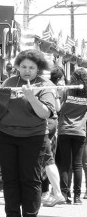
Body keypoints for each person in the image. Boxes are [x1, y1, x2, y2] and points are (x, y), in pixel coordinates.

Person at [0, 49, 56, 217]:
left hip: (34, 137)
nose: (27, 70)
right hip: (6, 137)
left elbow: (45, 113)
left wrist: (31, 97)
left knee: (31, 178)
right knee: (10, 178)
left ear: (38, 69)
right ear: (18, 67)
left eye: (31, 67)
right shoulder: (9, 82)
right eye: (23, 67)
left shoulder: (45, 85)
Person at [57, 67, 87, 205]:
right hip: (80, 132)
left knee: (65, 164)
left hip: (64, 130)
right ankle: (77, 197)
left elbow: (58, 108)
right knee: (77, 164)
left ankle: (64, 194)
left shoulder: (66, 91)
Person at [41, 66, 66, 207]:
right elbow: (58, 107)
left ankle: (48, 192)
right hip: (52, 123)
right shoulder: (53, 87)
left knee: (45, 158)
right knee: (48, 157)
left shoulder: (40, 84)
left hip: (43, 124)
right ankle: (52, 192)